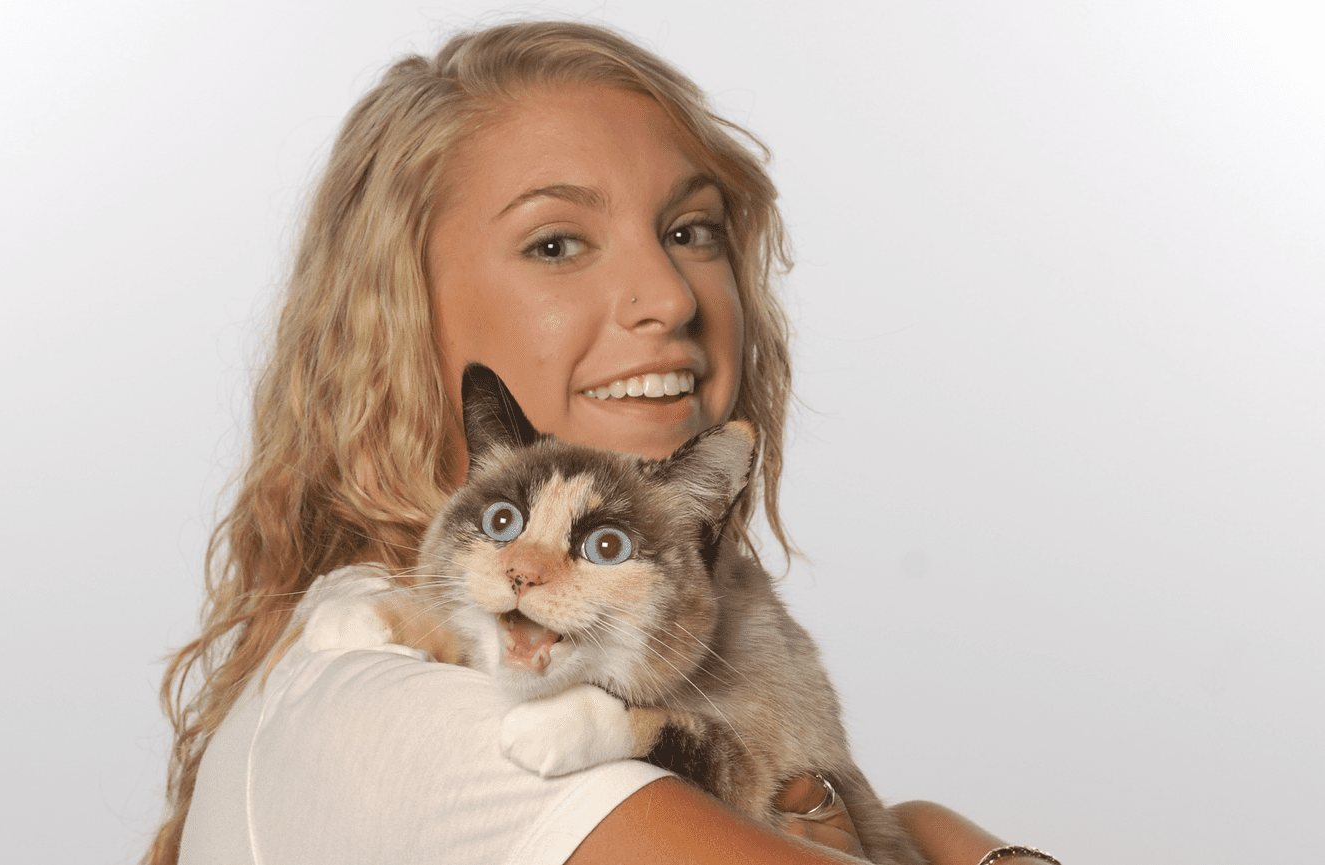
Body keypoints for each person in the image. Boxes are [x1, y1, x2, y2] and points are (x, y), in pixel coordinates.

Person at [146, 20, 1055, 865]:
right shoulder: (430, 715)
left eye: (690, 231)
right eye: (555, 244)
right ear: (392, 318)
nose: (670, 294)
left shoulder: (658, 652)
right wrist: (963, 842)